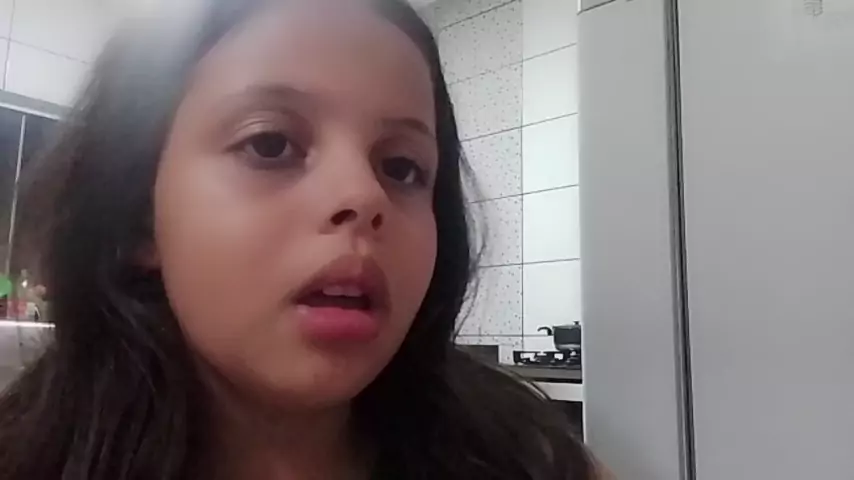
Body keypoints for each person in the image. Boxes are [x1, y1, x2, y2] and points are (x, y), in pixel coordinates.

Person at [0, 0, 600, 478]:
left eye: (401, 167)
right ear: (139, 215)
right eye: (270, 144)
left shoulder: (530, 456)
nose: (363, 195)